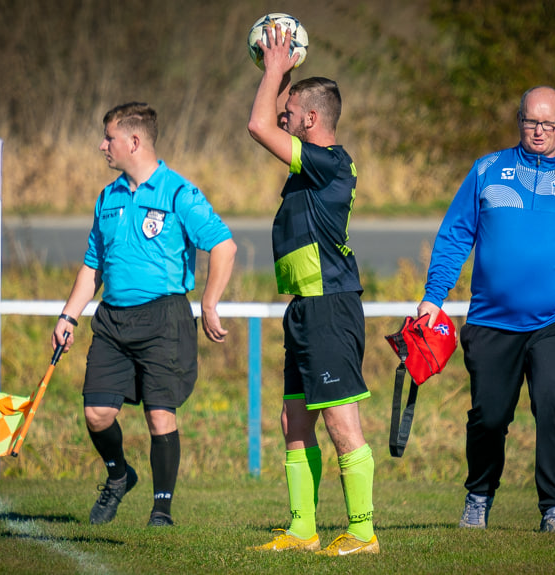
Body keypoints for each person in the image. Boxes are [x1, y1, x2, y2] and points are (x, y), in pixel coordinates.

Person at [418, 86, 555, 533]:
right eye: (530, 121)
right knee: (489, 417)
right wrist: (433, 297)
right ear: (519, 119)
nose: (538, 130)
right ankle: (479, 496)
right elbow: (455, 235)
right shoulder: (487, 170)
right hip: (491, 321)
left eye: (548, 123)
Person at [53, 102, 236, 528]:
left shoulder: (178, 192)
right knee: (96, 413)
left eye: (108, 137)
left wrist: (209, 303)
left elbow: (224, 246)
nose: (102, 146)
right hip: (113, 320)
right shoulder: (107, 196)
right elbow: (92, 266)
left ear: (134, 141)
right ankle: (119, 476)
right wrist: (68, 317)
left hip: (164, 318)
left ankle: (161, 511)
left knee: (159, 415)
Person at [246, 24, 378, 556]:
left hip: (330, 307)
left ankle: (363, 532)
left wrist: (278, 68)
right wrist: (284, 70)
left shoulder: (331, 162)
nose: (284, 115)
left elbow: (258, 125)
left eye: (293, 110)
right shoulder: (310, 161)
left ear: (313, 119)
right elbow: (272, 117)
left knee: (341, 421)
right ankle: (303, 529)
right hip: (304, 308)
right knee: (293, 419)